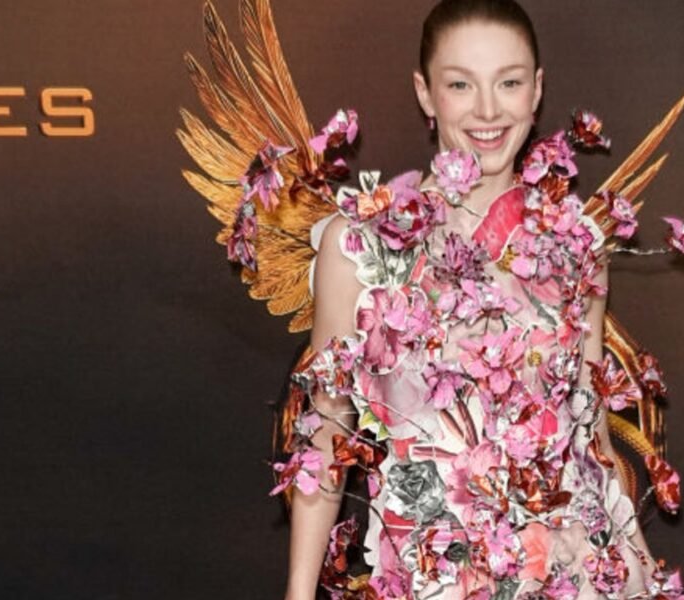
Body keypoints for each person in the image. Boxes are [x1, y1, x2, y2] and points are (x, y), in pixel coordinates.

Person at [282, 1, 661, 597]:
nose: (488, 110)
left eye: (508, 82)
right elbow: (328, 430)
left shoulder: (576, 243)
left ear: (536, 90)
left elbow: (592, 436)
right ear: (426, 93)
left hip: (572, 573)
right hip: (431, 577)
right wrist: (299, 593)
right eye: (461, 84)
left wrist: (647, 576)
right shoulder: (359, 245)